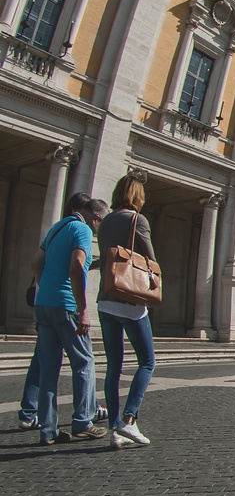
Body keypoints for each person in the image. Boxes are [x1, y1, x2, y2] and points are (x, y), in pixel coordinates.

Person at [32, 193, 109, 444]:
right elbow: (77, 265)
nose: (98, 230)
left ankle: (48, 430)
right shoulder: (83, 230)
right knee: (84, 362)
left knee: (48, 368)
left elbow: (36, 262)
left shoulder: (57, 227)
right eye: (101, 224)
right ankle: (83, 422)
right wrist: (83, 309)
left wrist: (47, 288)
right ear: (95, 218)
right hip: (67, 306)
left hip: (44, 303)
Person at [98, 176, 159, 448]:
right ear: (137, 196)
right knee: (147, 361)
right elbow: (150, 258)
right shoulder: (137, 220)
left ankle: (113, 429)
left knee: (114, 365)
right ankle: (129, 419)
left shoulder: (106, 221)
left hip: (105, 299)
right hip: (130, 300)